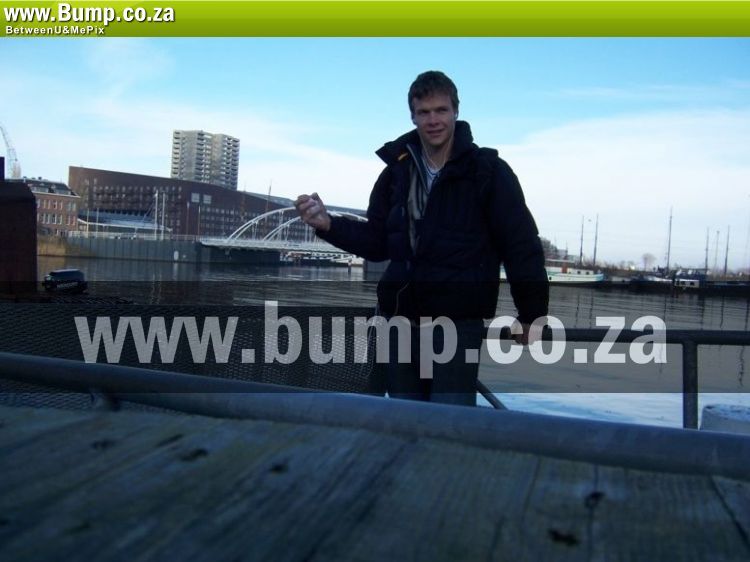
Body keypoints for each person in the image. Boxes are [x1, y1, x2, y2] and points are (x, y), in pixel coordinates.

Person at [295, 70, 549, 406]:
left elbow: (521, 245)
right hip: (399, 322)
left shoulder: (488, 171)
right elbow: (378, 242)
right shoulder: (395, 173)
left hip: (456, 325)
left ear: (456, 111)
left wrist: (531, 314)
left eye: (441, 110)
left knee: (450, 420)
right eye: (424, 112)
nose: (433, 120)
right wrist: (328, 224)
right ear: (412, 116)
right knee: (405, 416)